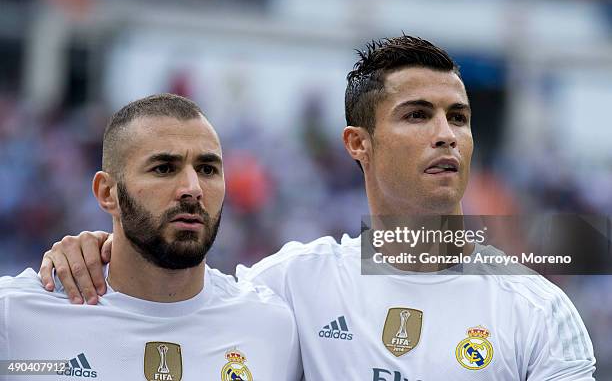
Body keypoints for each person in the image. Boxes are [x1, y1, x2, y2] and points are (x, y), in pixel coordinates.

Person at [39, 36, 596, 379]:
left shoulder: (538, 311)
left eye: (459, 117)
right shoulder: (290, 285)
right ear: (358, 143)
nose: (446, 134)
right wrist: (98, 246)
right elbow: (174, 295)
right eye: (418, 114)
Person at [0, 94, 302, 380]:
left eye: (207, 169)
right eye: (164, 168)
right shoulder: (17, 316)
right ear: (107, 193)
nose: (192, 188)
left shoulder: (271, 326)